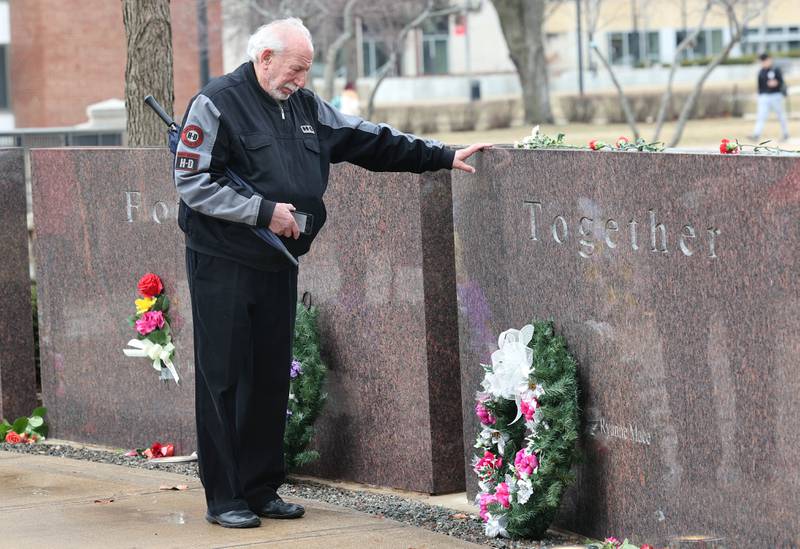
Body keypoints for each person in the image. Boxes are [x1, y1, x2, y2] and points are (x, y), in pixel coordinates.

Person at [173, 17, 489, 529]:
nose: (300, 79)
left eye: (306, 70)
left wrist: (443, 155)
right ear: (265, 58)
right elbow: (192, 181)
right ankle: (226, 497)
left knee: (272, 375)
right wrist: (261, 210)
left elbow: (369, 140)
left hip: (278, 258)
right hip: (223, 262)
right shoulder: (215, 102)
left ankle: (260, 488)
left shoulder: (304, 106)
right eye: (295, 69)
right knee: (224, 377)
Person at [749, 52, 790, 142]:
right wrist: (757, 94)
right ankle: (756, 134)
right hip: (764, 97)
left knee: (781, 115)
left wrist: (777, 83)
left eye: (765, 61)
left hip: (775, 95)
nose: (763, 63)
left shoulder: (776, 69)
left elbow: (782, 82)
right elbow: (760, 86)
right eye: (762, 61)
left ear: (769, 60)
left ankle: (786, 133)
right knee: (761, 116)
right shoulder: (761, 72)